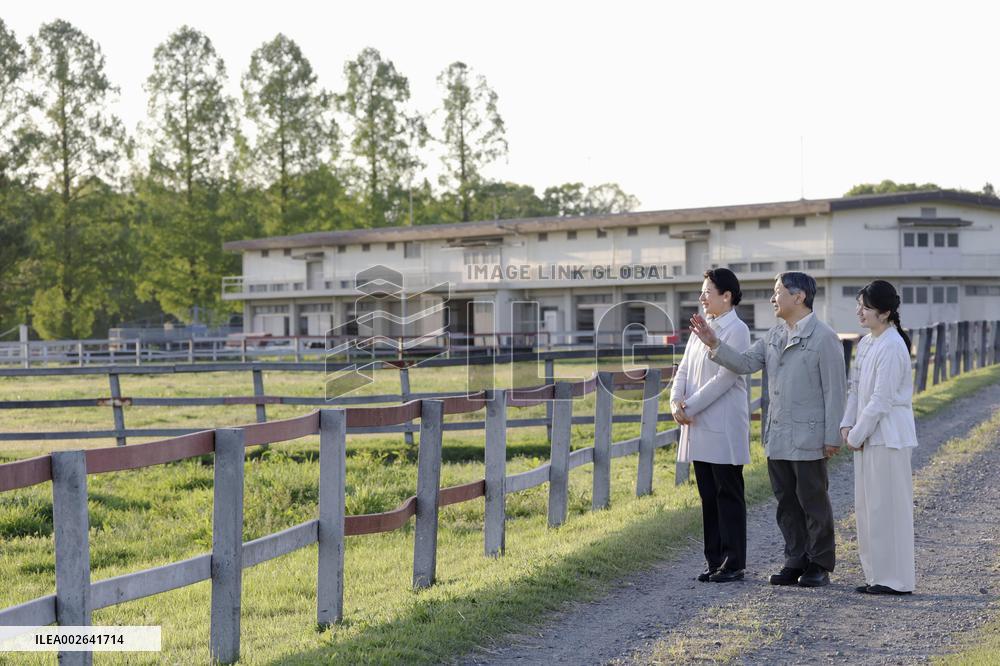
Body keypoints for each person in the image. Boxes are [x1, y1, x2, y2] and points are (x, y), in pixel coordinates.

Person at [689, 272, 846, 588]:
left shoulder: (824, 337)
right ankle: (795, 559)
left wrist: (833, 435)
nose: (773, 299)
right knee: (786, 502)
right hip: (779, 436)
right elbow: (745, 363)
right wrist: (714, 344)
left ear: (798, 297)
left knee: (812, 501)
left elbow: (835, 390)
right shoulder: (774, 336)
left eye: (778, 293)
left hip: (810, 436)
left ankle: (819, 563)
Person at [671, 269, 751, 583]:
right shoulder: (700, 329)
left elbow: (725, 379)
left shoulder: (737, 330)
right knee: (708, 494)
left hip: (723, 423)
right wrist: (676, 402)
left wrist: (689, 406)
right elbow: (684, 371)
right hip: (698, 422)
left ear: (726, 295)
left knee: (727, 493)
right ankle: (714, 559)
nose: (702, 297)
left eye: (707, 291)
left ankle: (733, 563)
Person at [840, 280, 917, 595]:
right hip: (867, 435)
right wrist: (847, 425)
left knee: (888, 507)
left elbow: (882, 400)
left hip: (888, 435)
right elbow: (856, 389)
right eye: (859, 305)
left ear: (885, 313)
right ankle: (876, 575)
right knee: (869, 508)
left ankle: (895, 579)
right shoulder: (869, 342)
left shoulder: (893, 345)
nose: (860, 311)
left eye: (866, 307)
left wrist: (856, 433)